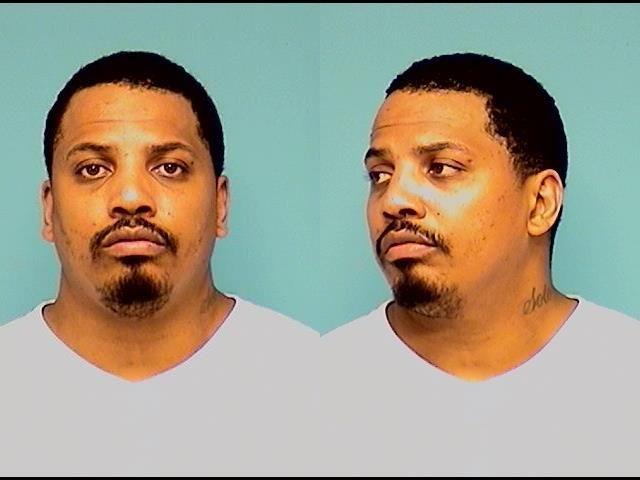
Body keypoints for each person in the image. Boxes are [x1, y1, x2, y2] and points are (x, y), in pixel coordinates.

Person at [320, 52, 640, 475]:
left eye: (441, 168)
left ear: (540, 203)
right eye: (380, 174)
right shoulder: (314, 388)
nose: (393, 200)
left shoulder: (627, 376)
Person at [0, 51, 317, 475]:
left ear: (220, 204)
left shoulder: (313, 381)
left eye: (169, 167)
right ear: (49, 208)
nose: (131, 197)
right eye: (93, 169)